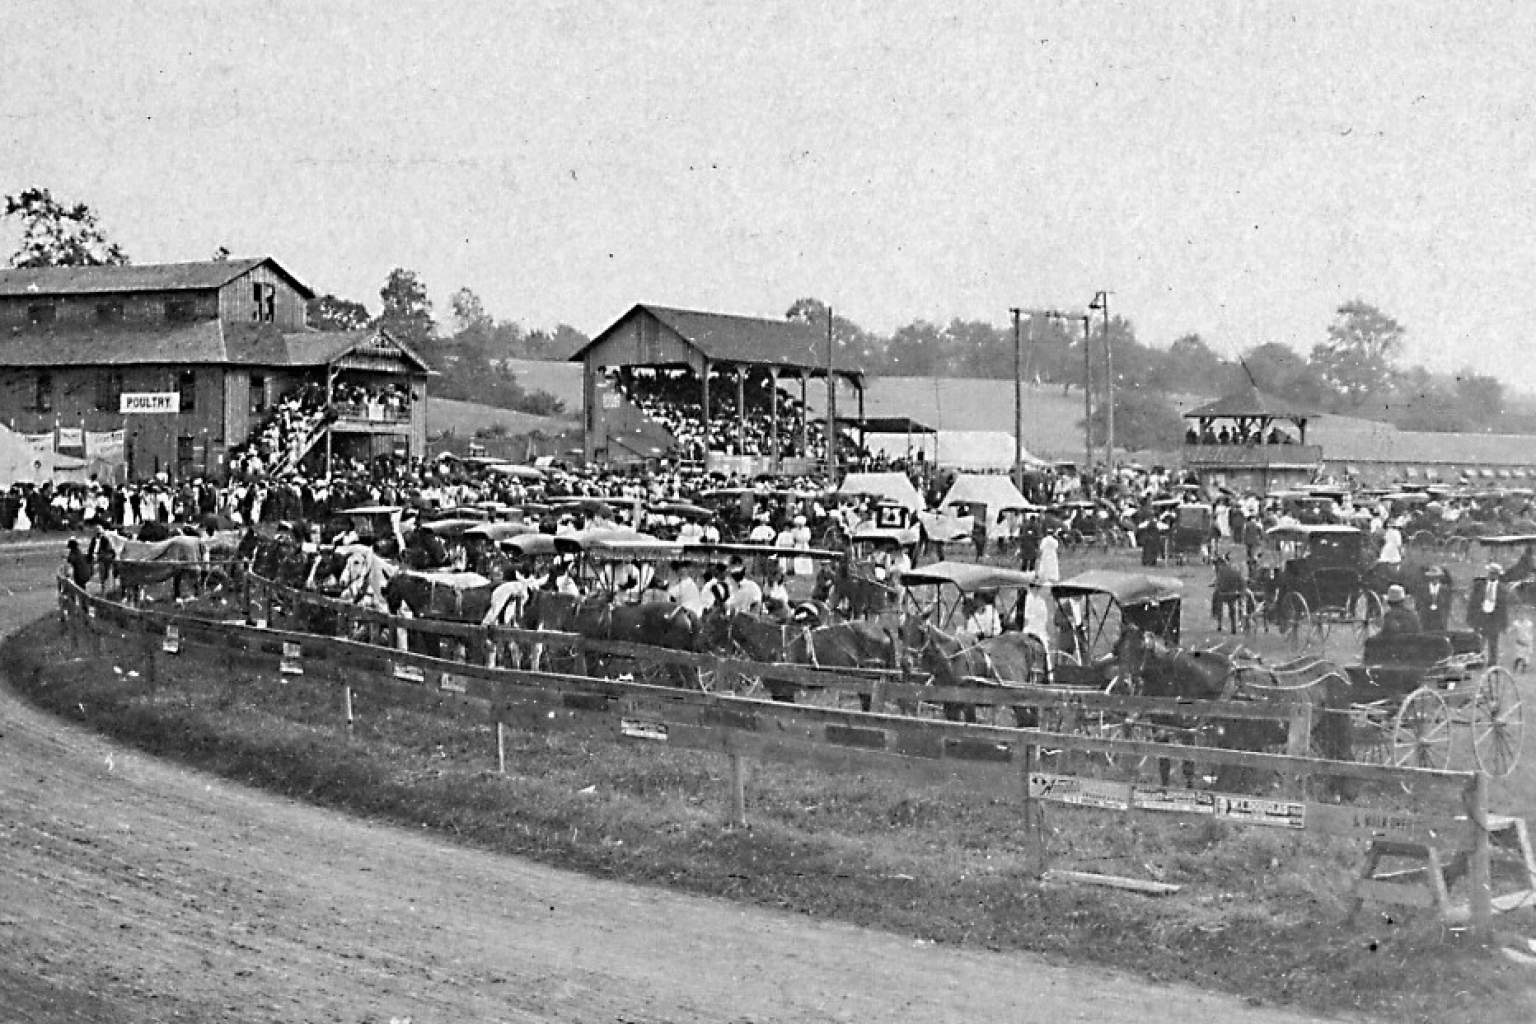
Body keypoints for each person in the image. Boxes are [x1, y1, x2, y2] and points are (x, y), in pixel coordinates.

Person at [1468, 563, 1511, 665]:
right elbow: (1472, 603)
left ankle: (1492, 664)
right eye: (1491, 573)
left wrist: (1504, 624)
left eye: (1495, 574)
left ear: (1498, 575)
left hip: (1494, 618)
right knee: (1478, 641)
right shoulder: (1479, 586)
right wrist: (1471, 618)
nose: (1492, 576)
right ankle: (1477, 662)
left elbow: (1504, 608)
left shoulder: (1502, 589)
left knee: (1493, 643)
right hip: (1481, 617)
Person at [1413, 565, 1453, 632]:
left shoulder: (1446, 591)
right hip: (1426, 622)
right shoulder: (1422, 590)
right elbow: (1418, 605)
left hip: (1440, 623)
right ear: (1429, 578)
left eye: (1437, 577)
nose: (1435, 579)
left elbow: (1447, 607)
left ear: (1440, 578)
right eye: (1432, 577)